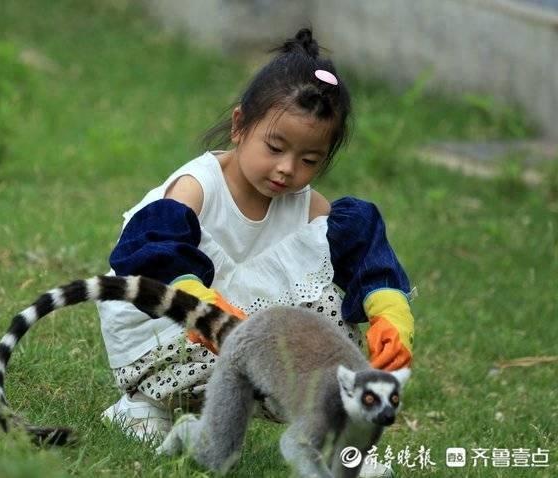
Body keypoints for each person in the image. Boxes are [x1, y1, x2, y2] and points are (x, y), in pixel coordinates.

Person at [98, 27, 414, 460]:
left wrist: (389, 314)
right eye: (275, 147)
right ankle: (145, 403)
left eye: (309, 160)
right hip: (163, 317)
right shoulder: (196, 189)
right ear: (239, 125)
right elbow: (155, 256)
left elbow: (365, 258)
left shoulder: (311, 210)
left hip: (239, 327)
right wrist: (201, 308)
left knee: (330, 335)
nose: (287, 170)